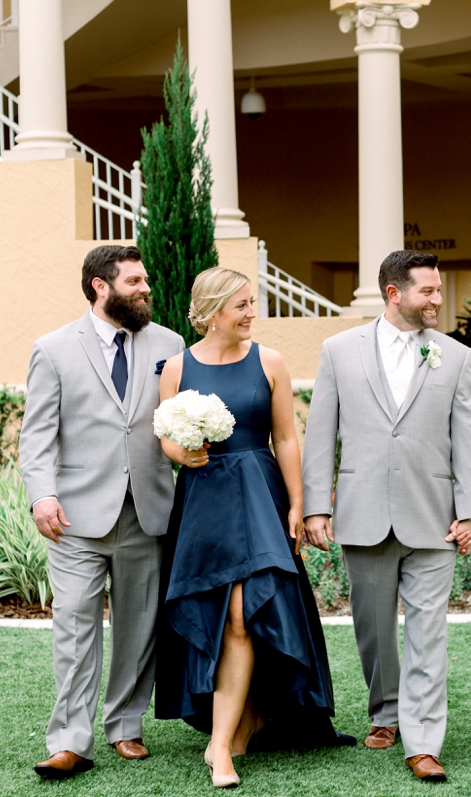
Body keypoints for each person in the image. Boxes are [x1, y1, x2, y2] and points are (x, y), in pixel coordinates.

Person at [155, 267, 351, 789]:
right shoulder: (177, 367)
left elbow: (285, 437)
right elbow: (164, 435)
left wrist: (297, 503)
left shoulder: (270, 361)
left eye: (252, 302)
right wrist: (182, 452)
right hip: (204, 501)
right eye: (241, 304)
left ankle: (221, 747)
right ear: (212, 311)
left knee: (246, 612)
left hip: (260, 494)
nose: (251, 312)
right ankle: (245, 721)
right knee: (219, 615)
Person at [302, 250, 471, 784]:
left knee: (428, 633)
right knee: (374, 629)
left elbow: (467, 437)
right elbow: (321, 432)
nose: (437, 299)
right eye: (428, 290)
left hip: (433, 517)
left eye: (438, 290)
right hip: (363, 511)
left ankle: (423, 741)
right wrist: (316, 506)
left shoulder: (456, 356)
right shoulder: (339, 350)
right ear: (394, 293)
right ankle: (385, 712)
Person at [18, 245, 185, 780]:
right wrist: (42, 495)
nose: (145, 289)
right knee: (73, 626)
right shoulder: (52, 349)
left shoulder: (170, 344)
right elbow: (36, 437)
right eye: (134, 281)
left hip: (148, 510)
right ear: (100, 286)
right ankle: (70, 740)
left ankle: (126, 725)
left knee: (138, 628)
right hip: (73, 517)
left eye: (145, 280)